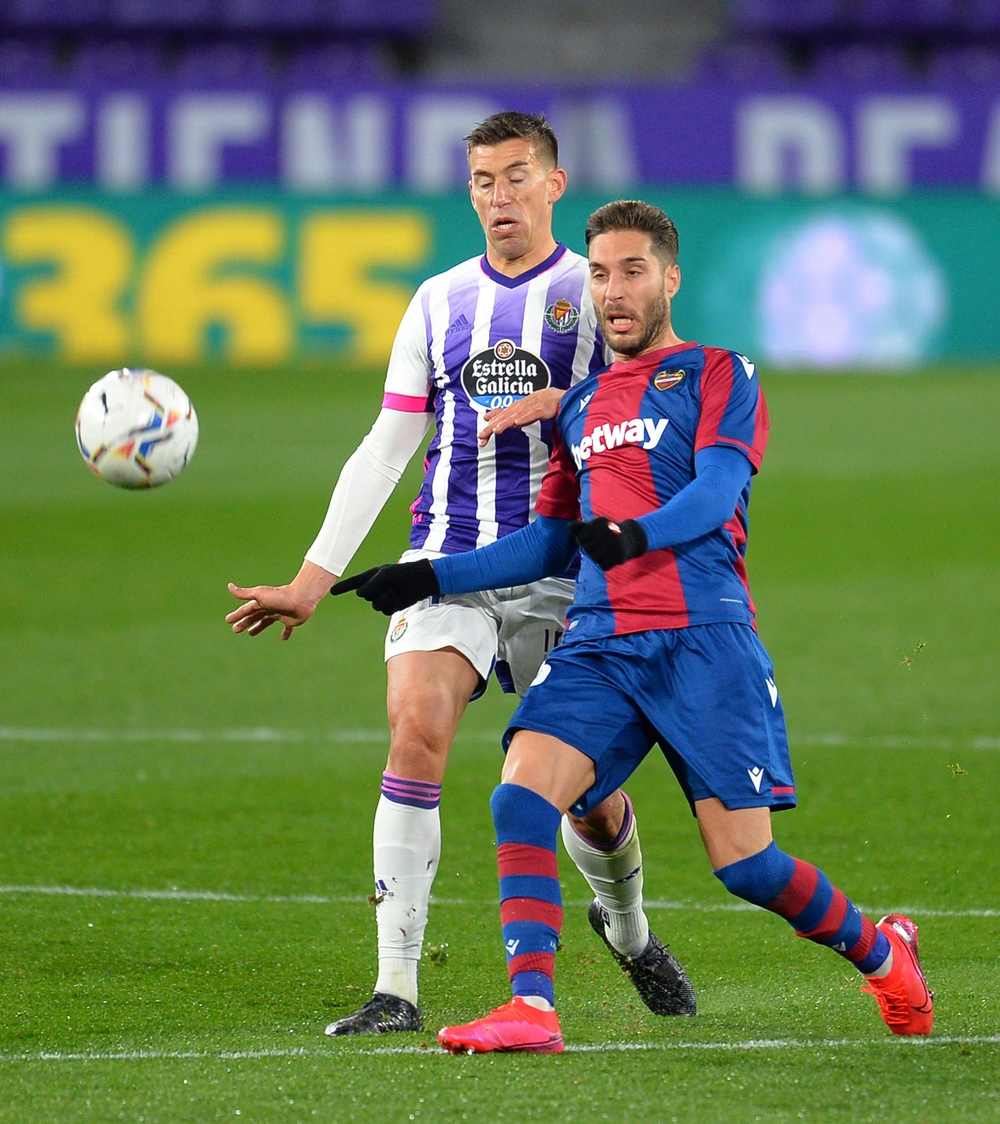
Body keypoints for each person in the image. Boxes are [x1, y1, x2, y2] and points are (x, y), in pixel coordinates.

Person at [335, 199, 935, 1054]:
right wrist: (429, 574)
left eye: (633, 271)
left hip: (704, 639)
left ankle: (884, 953)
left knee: (748, 867)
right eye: (602, 275)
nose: (614, 291)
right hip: (600, 643)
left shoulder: (722, 373)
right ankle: (532, 1008)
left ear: (669, 277)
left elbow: (718, 491)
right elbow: (549, 541)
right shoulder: (578, 405)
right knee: (520, 793)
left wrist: (636, 534)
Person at [225, 115, 695, 1036]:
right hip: (448, 559)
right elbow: (387, 445)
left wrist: (566, 400)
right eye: (483, 180)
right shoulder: (437, 302)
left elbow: (672, 395)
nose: (499, 197)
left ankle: (630, 931)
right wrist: (312, 579)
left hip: (565, 567)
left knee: (587, 797)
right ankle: (396, 988)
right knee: (416, 732)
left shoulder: (595, 288)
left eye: (517, 177)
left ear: (555, 186)